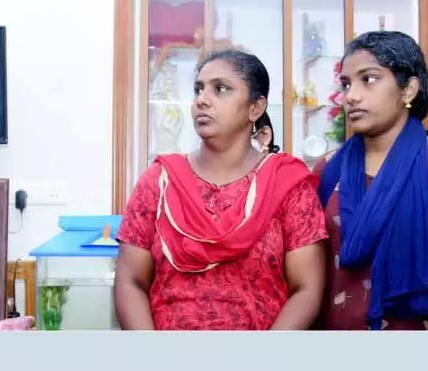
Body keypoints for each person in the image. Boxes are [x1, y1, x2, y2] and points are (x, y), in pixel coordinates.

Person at [114, 49, 327, 330]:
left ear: (255, 108)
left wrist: (268, 353)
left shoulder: (287, 185)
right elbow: (130, 281)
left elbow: (307, 290)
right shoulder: (159, 181)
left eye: (221, 89)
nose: (202, 99)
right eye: (198, 89)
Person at [314, 30, 428, 330]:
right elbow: (311, 282)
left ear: (408, 90)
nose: (351, 96)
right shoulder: (328, 169)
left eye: (368, 79)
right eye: (346, 84)